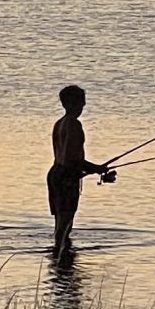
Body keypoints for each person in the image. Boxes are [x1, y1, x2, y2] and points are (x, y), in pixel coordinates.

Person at [49, 84, 113, 258]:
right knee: (66, 220)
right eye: (80, 103)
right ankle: (61, 253)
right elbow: (72, 159)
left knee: (60, 220)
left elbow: (66, 159)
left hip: (55, 173)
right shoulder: (74, 125)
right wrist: (97, 168)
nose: (83, 106)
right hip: (67, 177)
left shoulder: (59, 123)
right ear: (70, 103)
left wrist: (91, 170)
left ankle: (60, 252)